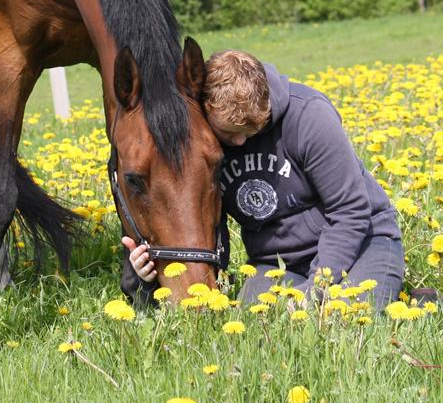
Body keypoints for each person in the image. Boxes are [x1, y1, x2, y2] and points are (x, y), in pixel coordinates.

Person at [122, 49, 404, 313]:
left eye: (252, 131)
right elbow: (200, 225)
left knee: (345, 315)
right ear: (207, 110)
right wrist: (148, 274)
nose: (240, 142)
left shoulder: (310, 117)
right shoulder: (204, 145)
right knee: (258, 320)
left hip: (362, 243)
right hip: (277, 262)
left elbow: (350, 209)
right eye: (230, 134)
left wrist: (316, 288)